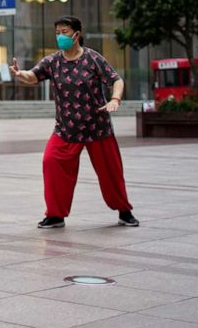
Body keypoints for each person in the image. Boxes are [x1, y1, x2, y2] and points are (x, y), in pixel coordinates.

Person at [9, 15, 139, 229]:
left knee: (111, 172)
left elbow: (116, 79)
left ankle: (124, 211)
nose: (60, 36)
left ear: (77, 35)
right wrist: (20, 74)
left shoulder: (93, 59)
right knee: (51, 162)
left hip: (98, 127)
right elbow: (33, 76)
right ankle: (55, 215)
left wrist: (115, 99)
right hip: (66, 129)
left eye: (65, 32)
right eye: (57, 32)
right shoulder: (52, 61)